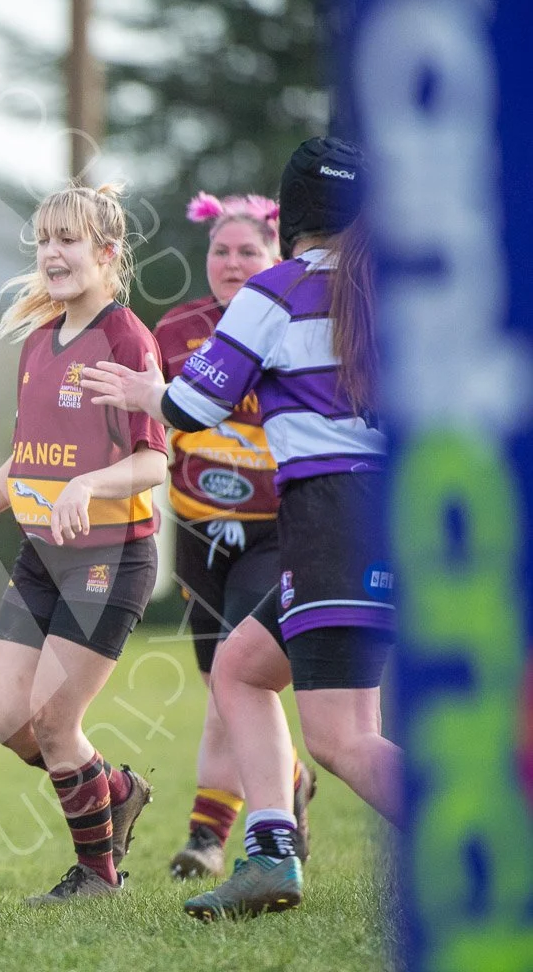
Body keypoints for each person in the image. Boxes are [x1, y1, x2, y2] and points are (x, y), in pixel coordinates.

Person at [81, 137, 399, 919]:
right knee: (241, 671)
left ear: (291, 216)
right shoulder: (392, 289)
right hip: (391, 512)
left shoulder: (279, 290)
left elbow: (195, 405)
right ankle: (269, 853)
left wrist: (145, 391)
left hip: (332, 520)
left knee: (342, 738)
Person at [0, 182, 165, 905]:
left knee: (56, 723)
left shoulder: (126, 339)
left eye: (68, 240)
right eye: (43, 241)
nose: (52, 254)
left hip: (110, 557)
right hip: (41, 558)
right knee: (6, 719)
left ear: (107, 252)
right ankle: (115, 789)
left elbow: (155, 462)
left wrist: (90, 485)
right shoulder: (38, 340)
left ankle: (98, 876)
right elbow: (27, 462)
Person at [153, 193, 316, 879]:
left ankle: (208, 837)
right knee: (221, 685)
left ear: (276, 256)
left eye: (249, 251)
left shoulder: (296, 321)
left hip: (273, 532)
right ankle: (292, 777)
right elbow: (154, 423)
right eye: (221, 250)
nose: (232, 262)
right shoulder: (176, 328)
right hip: (197, 532)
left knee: (234, 674)